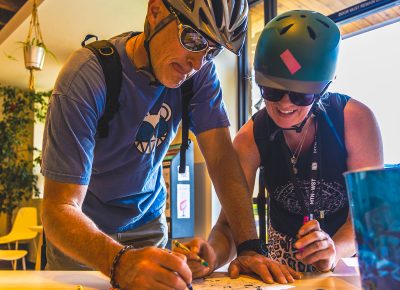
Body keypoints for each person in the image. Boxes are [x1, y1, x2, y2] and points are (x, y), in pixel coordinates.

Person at [40, 0, 266, 289]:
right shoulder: (86, 77)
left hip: (148, 225)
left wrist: (249, 247)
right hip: (86, 232)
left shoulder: (200, 76)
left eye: (212, 51)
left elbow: (223, 159)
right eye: (193, 39)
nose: (197, 63)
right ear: (155, 11)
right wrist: (118, 261)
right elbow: (58, 208)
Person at [181, 9, 383, 281]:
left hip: (346, 266)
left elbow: (366, 220)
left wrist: (334, 250)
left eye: (300, 96)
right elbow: (230, 226)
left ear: (322, 89)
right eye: (272, 90)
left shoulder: (355, 121)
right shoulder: (252, 136)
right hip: (284, 270)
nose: (284, 105)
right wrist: (209, 255)